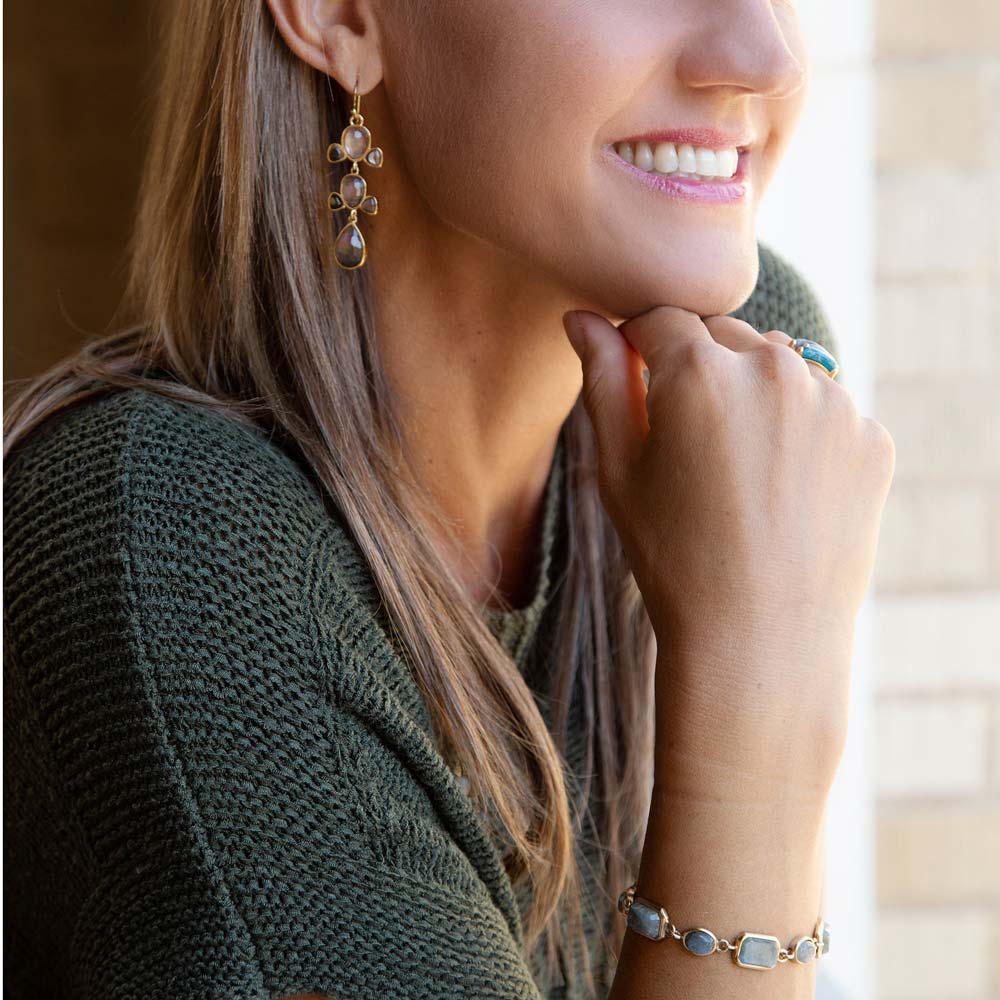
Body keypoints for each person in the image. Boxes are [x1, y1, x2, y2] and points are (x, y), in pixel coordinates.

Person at [3, 1, 895, 998]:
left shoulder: (726, 396)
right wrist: (755, 690)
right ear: (339, 14)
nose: (765, 57)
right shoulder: (173, 553)